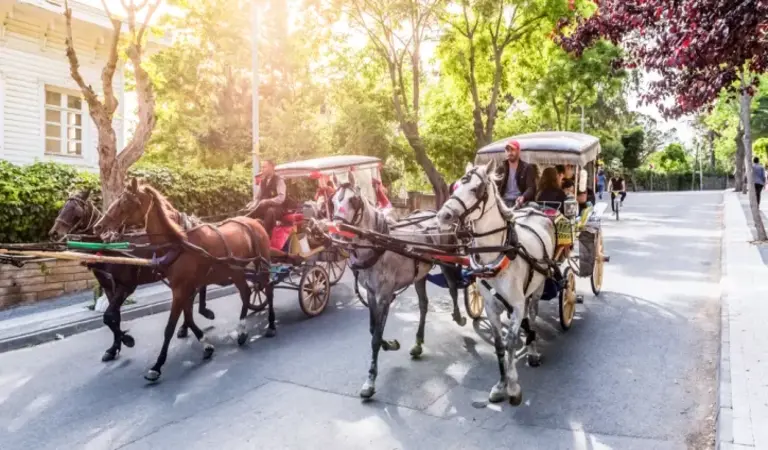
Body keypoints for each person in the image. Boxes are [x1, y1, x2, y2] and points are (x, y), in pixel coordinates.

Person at [247, 160, 287, 235]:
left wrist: (267, 201)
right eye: (261, 167)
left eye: (264, 167)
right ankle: (249, 233)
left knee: (270, 211)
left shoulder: (279, 180)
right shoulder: (262, 181)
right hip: (265, 207)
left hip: (277, 208)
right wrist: (252, 204)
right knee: (251, 211)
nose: (262, 169)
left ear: (272, 167)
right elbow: (258, 197)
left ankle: (264, 234)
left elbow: (281, 198)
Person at [495, 139, 537, 207]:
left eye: (512, 150)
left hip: (521, 202)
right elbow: (494, 186)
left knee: (535, 206)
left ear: (518, 151)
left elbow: (531, 187)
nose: (510, 152)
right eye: (508, 150)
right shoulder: (500, 169)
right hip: (503, 202)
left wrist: (523, 197)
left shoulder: (527, 168)